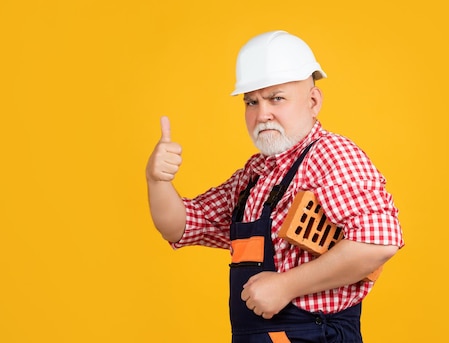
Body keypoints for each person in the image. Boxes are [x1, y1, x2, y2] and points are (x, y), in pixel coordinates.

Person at [146, 30, 404, 343]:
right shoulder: (255, 176)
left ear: (312, 101)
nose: (262, 113)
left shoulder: (328, 155)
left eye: (276, 98)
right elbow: (182, 226)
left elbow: (378, 242)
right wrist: (158, 180)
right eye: (251, 102)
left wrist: (286, 285)